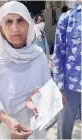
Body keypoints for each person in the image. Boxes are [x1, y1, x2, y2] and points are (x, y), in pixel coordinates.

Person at [0, 1, 51, 139]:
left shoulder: (38, 56)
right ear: (0, 27)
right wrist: (9, 120)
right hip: (4, 130)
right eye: (9, 22)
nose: (15, 27)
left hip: (32, 130)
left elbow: (48, 95)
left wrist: (38, 100)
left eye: (20, 20)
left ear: (29, 24)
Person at [53, 3, 81, 139]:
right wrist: (60, 87)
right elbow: (59, 53)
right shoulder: (67, 18)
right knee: (64, 131)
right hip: (69, 88)